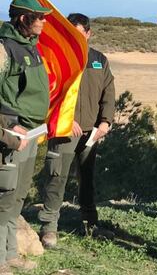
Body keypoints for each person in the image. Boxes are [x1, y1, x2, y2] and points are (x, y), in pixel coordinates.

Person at [38, 13, 115, 248]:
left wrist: (105, 123)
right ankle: (49, 227)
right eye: (71, 33)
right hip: (64, 129)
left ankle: (90, 224)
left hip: (92, 132)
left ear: (89, 34)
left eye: (80, 34)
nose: (76, 39)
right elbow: (46, 93)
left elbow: (108, 93)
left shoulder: (99, 60)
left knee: (87, 179)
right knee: (56, 177)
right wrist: (64, 119)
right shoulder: (56, 57)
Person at [0, 0, 52, 274]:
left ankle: (9, 254)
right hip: (11, 133)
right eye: (40, 18)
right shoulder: (4, 49)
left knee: (17, 196)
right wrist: (9, 129)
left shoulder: (31, 48)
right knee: (3, 196)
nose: (44, 22)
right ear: (23, 19)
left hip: (30, 133)